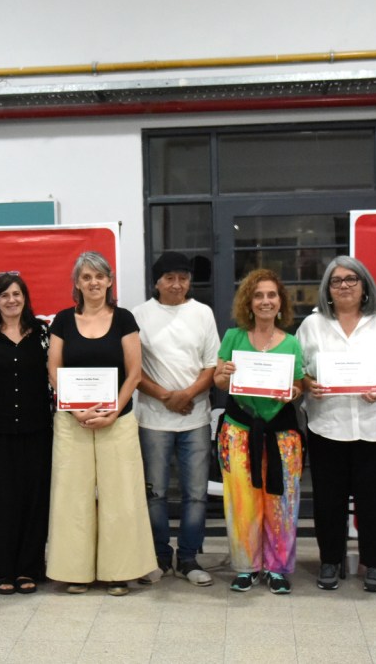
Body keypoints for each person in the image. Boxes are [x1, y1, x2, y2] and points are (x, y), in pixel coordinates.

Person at [297, 256, 376, 593]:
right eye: (336, 281)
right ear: (327, 289)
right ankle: (330, 560)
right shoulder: (312, 325)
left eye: (351, 279)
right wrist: (309, 384)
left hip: (374, 426)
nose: (344, 285)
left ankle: (374, 563)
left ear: (364, 286)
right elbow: (297, 368)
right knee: (327, 500)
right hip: (326, 425)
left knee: (374, 500)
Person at [46, 251, 155, 596]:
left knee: (121, 496)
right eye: (86, 277)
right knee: (71, 497)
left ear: (109, 281)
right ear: (77, 284)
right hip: (71, 421)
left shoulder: (124, 319)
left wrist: (113, 411)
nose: (93, 282)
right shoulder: (63, 320)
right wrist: (75, 409)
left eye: (99, 276)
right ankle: (74, 573)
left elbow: (134, 373)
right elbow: (53, 368)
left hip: (118, 421)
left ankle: (118, 573)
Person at [213, 269, 305, 594]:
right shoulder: (233, 337)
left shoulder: (292, 342)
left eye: (271, 295)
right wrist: (224, 374)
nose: (265, 301)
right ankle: (246, 568)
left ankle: (277, 569)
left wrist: (293, 392)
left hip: (282, 435)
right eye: (258, 295)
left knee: (282, 503)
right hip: (238, 431)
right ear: (248, 303)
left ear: (280, 302)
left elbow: (298, 386)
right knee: (242, 501)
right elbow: (219, 381)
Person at [134, 252, 220, 588]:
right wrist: (166, 396)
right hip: (153, 419)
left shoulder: (202, 313)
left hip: (195, 418)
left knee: (196, 494)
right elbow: (133, 368)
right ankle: (158, 555)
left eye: (183, 278)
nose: (176, 284)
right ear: (156, 282)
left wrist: (186, 395)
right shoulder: (139, 315)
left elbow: (212, 365)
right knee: (154, 493)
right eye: (169, 278)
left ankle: (188, 558)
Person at [0, 272, 53, 595]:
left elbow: (54, 378)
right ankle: (2, 570)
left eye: (17, 294)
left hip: (38, 431)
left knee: (34, 501)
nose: (11, 300)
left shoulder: (43, 333)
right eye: (4, 295)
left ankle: (29, 568)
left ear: (25, 298)